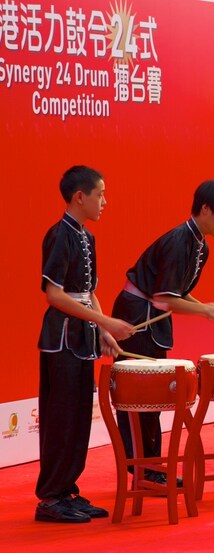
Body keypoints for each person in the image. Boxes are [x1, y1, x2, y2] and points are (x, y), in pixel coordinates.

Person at [112, 180, 214, 484]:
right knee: (140, 396)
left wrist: (209, 307)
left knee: (154, 397)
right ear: (206, 209)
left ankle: (149, 467)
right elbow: (164, 299)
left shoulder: (199, 245)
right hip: (137, 315)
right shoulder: (179, 241)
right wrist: (206, 310)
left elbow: (176, 294)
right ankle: (142, 468)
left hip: (152, 316)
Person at [35, 166, 135, 523]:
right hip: (61, 337)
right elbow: (54, 295)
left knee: (79, 417)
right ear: (80, 196)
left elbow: (88, 292)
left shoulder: (87, 238)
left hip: (82, 336)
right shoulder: (59, 235)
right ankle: (49, 497)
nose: (104, 202)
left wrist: (104, 330)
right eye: (100, 194)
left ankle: (67, 490)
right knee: (61, 417)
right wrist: (103, 322)